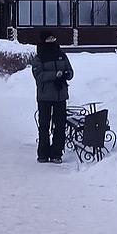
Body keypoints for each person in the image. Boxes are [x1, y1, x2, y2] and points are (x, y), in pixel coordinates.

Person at [29, 30, 73, 163]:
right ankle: (43, 153)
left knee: (60, 125)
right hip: (45, 96)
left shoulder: (62, 55)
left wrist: (66, 74)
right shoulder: (39, 58)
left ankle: (56, 153)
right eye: (49, 39)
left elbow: (70, 71)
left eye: (54, 38)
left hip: (60, 95)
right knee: (44, 125)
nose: (52, 41)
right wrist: (55, 75)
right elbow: (39, 75)